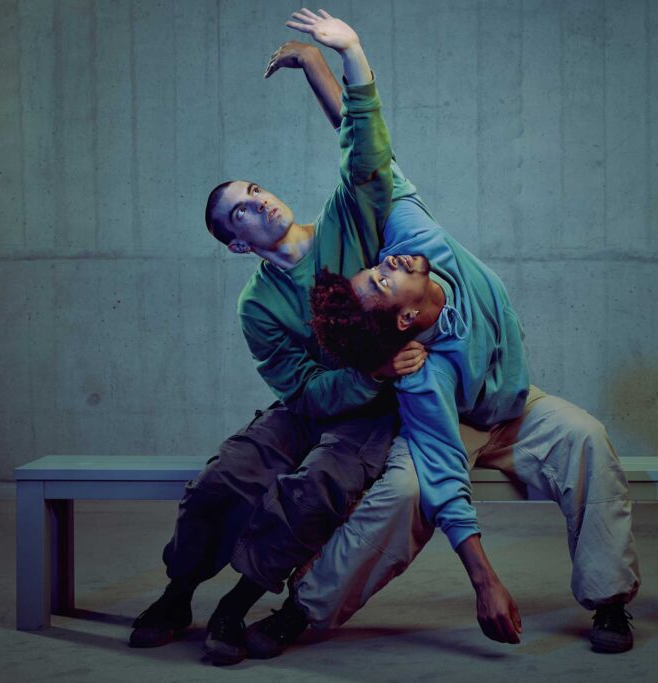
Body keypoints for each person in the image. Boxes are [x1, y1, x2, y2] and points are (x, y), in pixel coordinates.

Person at [244, 42, 641, 654]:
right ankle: (304, 609)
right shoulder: (420, 373)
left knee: (586, 436)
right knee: (406, 495)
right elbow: (445, 482)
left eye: (378, 268)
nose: (388, 262)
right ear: (404, 316)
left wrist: (324, 64)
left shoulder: (419, 241)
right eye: (381, 278)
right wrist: (486, 581)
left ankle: (610, 603)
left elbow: (370, 158)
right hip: (451, 423)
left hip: (513, 409)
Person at [128, 9, 424, 665]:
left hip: (372, 417)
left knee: (314, 485)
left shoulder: (346, 230)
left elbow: (368, 150)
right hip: (310, 405)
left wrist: (338, 57)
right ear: (238, 242)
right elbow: (304, 389)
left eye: (255, 189)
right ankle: (179, 591)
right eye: (241, 209)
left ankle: (236, 603)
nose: (259, 201)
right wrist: (365, 372)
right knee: (224, 477)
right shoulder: (257, 305)